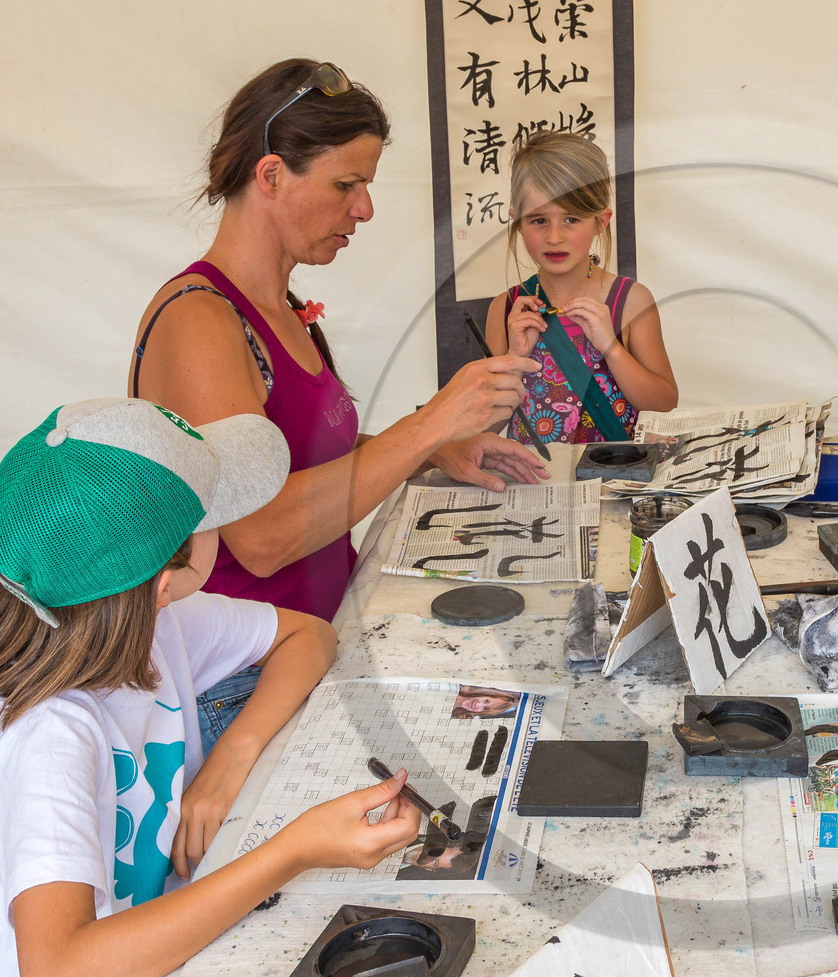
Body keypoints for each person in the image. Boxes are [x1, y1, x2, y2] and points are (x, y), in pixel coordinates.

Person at [0, 399, 421, 977]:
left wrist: (232, 756)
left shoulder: (148, 624)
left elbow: (309, 637)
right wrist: (292, 852)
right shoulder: (45, 736)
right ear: (166, 578)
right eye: (213, 514)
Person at [128, 58, 549, 627]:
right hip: (250, 662)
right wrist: (430, 426)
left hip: (326, 632)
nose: (364, 209)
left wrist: (432, 450)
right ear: (271, 176)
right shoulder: (198, 320)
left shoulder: (280, 307)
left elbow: (305, 455)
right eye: (346, 185)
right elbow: (262, 536)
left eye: (366, 186)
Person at [484, 131, 677, 445]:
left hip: (615, 473)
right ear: (517, 222)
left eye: (571, 219)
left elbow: (665, 405)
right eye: (538, 220)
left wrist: (611, 348)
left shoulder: (629, 301)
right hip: (533, 474)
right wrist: (514, 358)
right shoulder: (505, 309)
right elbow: (487, 426)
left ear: (601, 221)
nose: (554, 237)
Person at [451, 686, 520, 719]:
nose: (477, 704)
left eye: (484, 708)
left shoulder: (454, 716)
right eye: (486, 701)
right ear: (483, 694)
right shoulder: (453, 687)